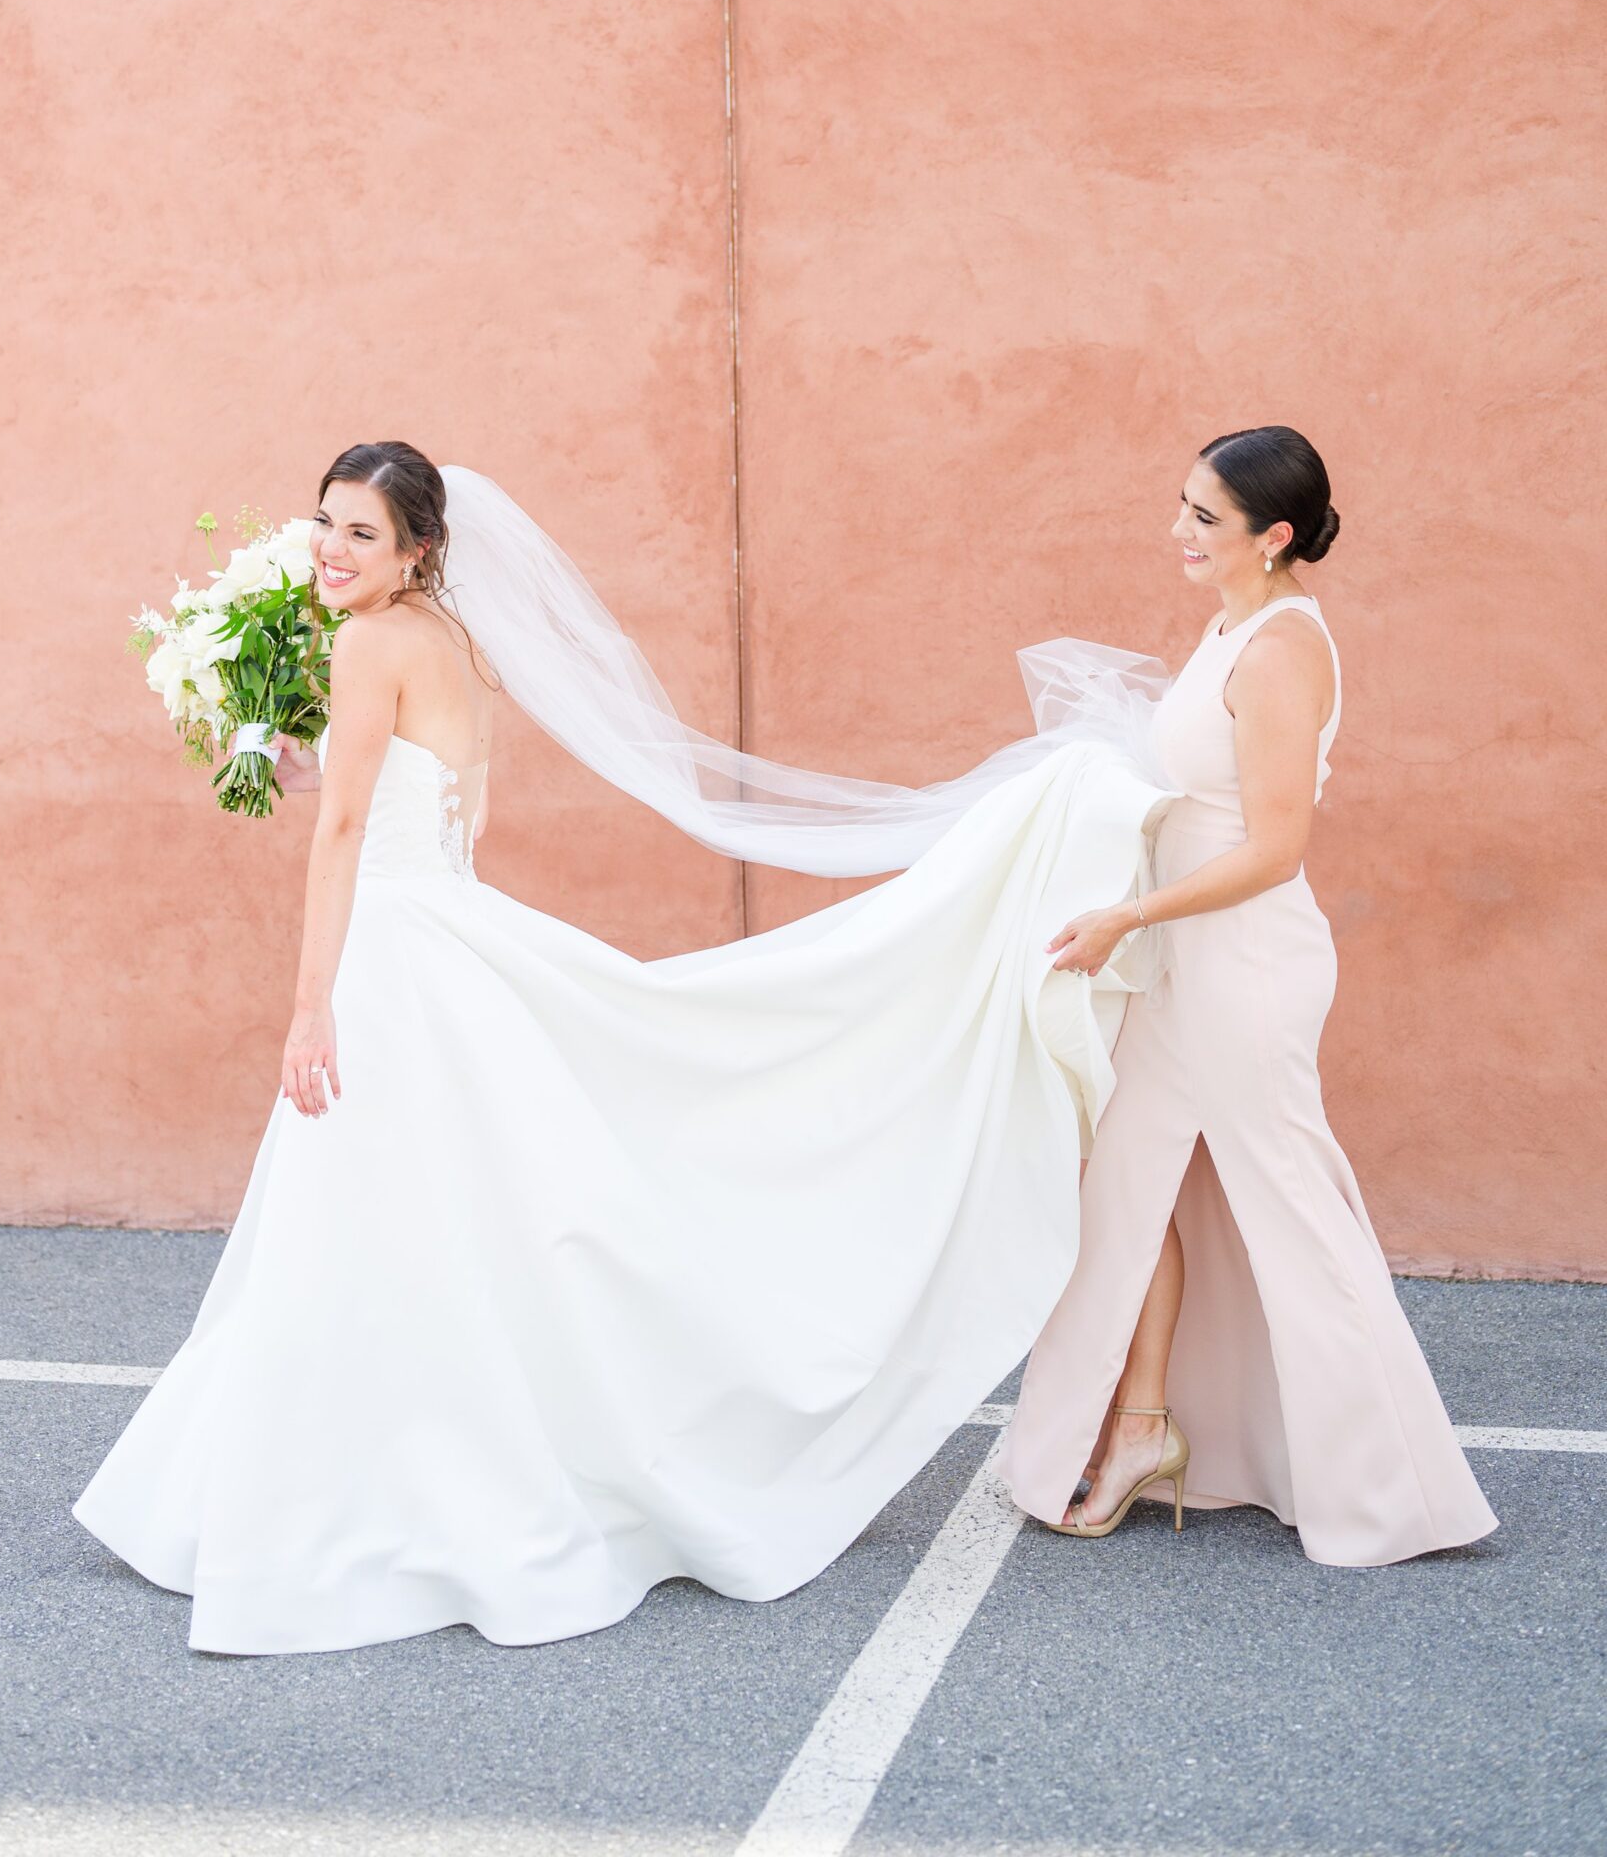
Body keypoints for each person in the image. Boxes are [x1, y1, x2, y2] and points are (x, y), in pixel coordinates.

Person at [74, 441, 1166, 1654]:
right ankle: (447, 1470)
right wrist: (296, 765)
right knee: (449, 1228)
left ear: (419, 548)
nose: (330, 550)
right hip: (449, 936)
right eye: (323, 523)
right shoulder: (452, 644)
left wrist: (308, 1006)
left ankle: (352, 1494)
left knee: (372, 1228)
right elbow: (441, 816)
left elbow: (345, 836)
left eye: (361, 535)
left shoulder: (367, 643)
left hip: (389, 963)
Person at [995, 427, 1496, 1565]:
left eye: (1203, 517)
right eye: (1179, 503)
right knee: (1129, 1194)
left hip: (1247, 968)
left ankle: (1392, 1494)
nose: (1177, 529)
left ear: (1272, 536)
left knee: (1289, 1211)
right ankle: (1135, 1430)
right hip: (1185, 966)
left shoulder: (1278, 648)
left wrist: (1126, 916)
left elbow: (1272, 849)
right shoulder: (1226, 623)